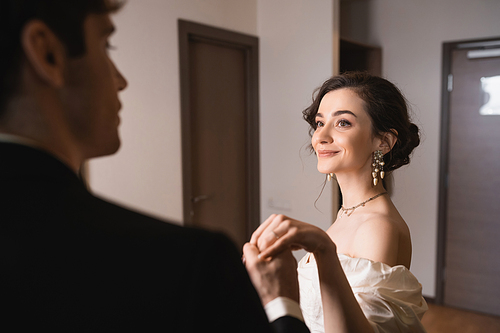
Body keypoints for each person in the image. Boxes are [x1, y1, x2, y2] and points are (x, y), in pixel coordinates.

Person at [0, 0, 309, 332]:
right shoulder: (186, 266)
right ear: (47, 53)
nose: (120, 81)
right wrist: (282, 302)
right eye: (106, 45)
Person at [249, 72, 428, 333]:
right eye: (320, 123)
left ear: (384, 141)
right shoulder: (349, 213)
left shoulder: (377, 227)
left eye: (343, 123)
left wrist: (324, 250)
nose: (321, 137)